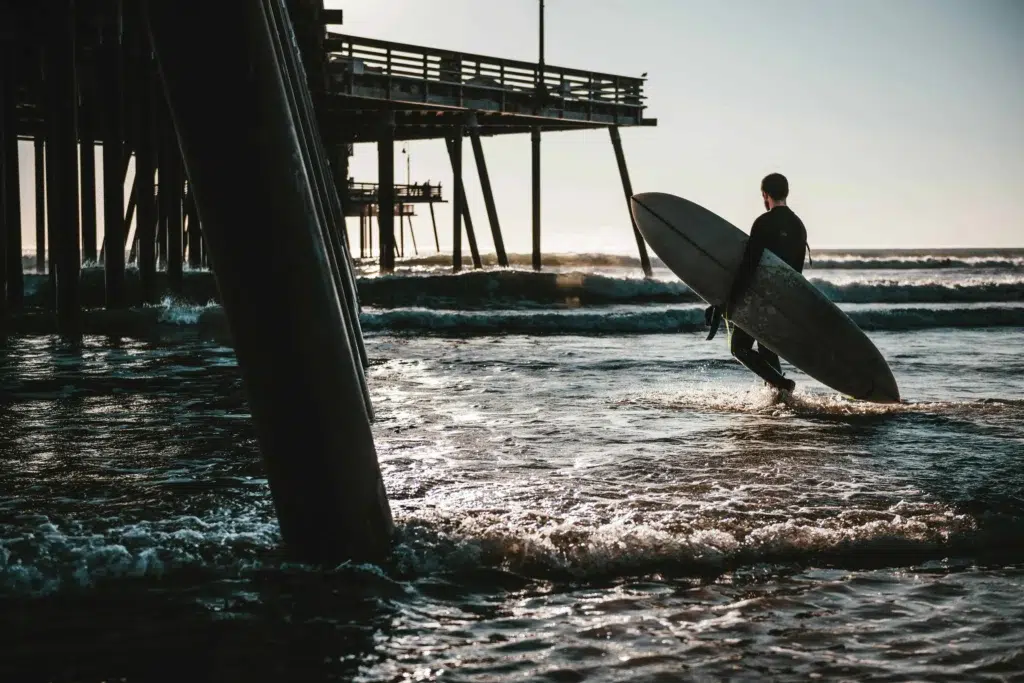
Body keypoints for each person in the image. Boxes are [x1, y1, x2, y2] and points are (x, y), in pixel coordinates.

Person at [707, 172, 808, 394]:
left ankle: (783, 385)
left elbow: (749, 266)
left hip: (761, 297)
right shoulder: (799, 226)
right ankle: (779, 397)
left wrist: (730, 300)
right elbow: (796, 272)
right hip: (785, 300)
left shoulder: (764, 222)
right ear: (786, 193)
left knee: (739, 348)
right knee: (767, 348)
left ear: (765, 194)